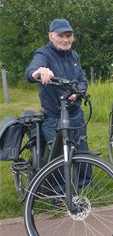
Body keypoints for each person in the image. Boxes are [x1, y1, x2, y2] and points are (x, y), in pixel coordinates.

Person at [25, 18, 89, 154]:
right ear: (51, 36)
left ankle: (84, 176)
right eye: (61, 36)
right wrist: (39, 72)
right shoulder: (43, 53)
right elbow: (31, 71)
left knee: (83, 155)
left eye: (68, 36)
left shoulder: (74, 56)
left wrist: (79, 91)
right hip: (54, 118)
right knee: (57, 164)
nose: (65, 40)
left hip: (76, 115)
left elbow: (82, 80)